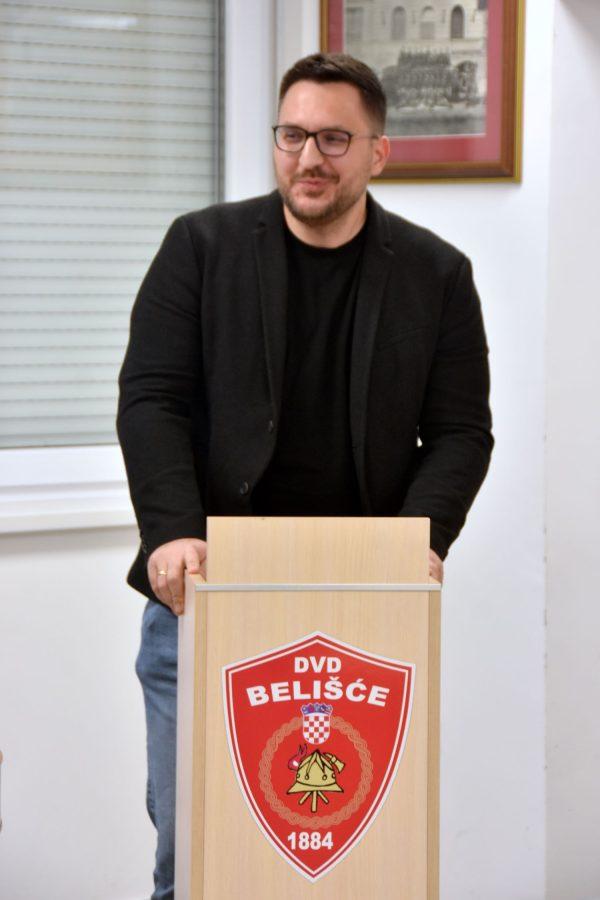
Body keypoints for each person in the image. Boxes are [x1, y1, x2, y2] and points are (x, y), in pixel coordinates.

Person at [117, 52, 493, 900]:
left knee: (351, 864)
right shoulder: (200, 247)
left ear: (377, 152)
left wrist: (422, 540)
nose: (308, 158)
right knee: (194, 858)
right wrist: (171, 530)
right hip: (204, 596)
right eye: (291, 135)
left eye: (332, 139)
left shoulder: (437, 275)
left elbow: (462, 433)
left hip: (364, 608)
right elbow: (151, 400)